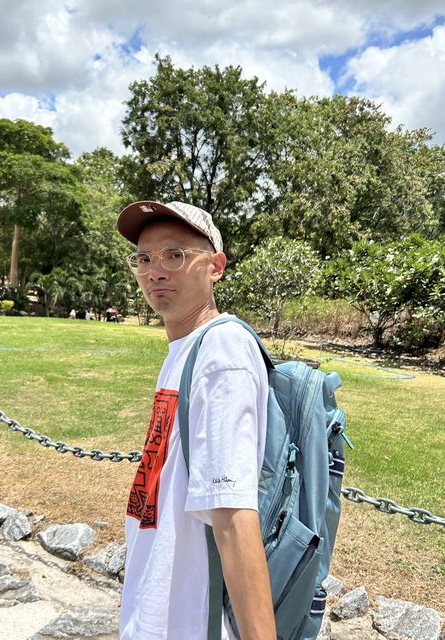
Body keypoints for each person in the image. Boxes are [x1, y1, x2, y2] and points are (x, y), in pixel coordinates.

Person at [116, 201, 276, 640]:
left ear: (216, 266)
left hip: (192, 621)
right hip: (158, 611)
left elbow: (232, 513)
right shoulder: (185, 348)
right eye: (144, 258)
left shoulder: (221, 352)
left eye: (175, 255)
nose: (155, 271)